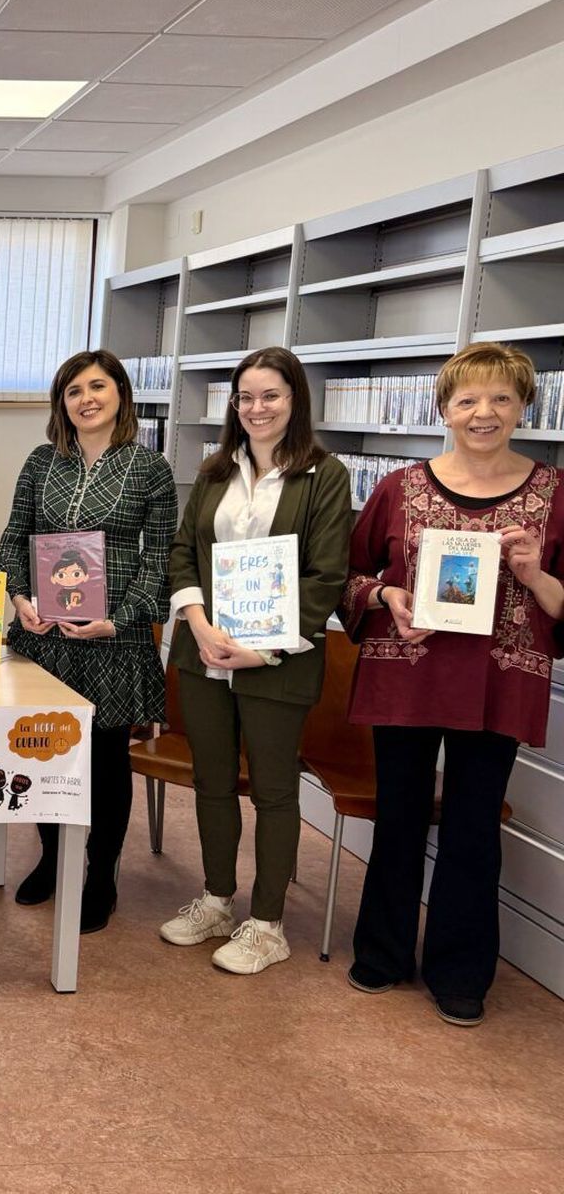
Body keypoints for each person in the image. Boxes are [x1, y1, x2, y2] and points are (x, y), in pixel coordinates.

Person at [342, 342, 564, 1026]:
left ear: (523, 407)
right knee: (399, 816)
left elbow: (562, 602)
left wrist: (534, 575)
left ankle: (461, 971)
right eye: (467, 399)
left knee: (473, 827)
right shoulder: (398, 486)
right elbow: (352, 578)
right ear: (444, 409)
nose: (483, 412)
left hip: (499, 684)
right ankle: (382, 952)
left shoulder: (555, 494)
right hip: (406, 677)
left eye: (501, 397)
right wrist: (388, 598)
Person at [158, 347, 352, 974]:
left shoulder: (325, 475)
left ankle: (267, 925)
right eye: (245, 397)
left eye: (270, 395)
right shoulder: (215, 470)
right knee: (211, 781)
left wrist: (262, 648)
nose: (256, 408)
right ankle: (217, 900)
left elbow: (327, 576)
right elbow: (183, 552)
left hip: (279, 659)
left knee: (273, 789)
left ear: (295, 400)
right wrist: (197, 623)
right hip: (204, 650)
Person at [0, 349, 177, 933]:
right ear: (61, 403)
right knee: (42, 750)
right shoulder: (41, 461)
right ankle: (52, 858)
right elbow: (14, 536)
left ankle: (101, 874)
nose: (86, 399)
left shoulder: (150, 468)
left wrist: (120, 619)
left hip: (113, 637)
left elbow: (160, 558)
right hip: (45, 637)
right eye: (74, 391)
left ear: (120, 393)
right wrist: (19, 598)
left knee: (104, 759)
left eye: (97, 387)